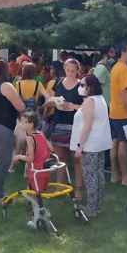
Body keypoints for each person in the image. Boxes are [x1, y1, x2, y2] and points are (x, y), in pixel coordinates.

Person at [0, 59, 26, 203]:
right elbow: (20, 106)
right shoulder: (6, 85)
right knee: (2, 163)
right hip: (2, 127)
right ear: (6, 70)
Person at [70, 75, 113, 217]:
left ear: (90, 87)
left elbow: (87, 126)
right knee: (99, 175)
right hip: (100, 144)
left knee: (90, 177)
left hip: (90, 145)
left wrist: (79, 146)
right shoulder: (100, 99)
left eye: (82, 85)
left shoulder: (90, 101)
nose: (80, 88)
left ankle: (91, 208)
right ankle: (97, 205)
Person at [46, 58, 84, 195]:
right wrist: (55, 102)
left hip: (75, 125)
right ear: (64, 69)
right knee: (60, 158)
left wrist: (73, 106)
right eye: (68, 70)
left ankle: (78, 190)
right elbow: (49, 101)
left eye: (73, 71)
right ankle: (59, 188)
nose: (70, 73)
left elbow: (87, 106)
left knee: (77, 159)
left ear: (77, 71)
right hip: (59, 123)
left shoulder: (81, 85)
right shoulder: (58, 82)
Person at [109, 45, 127, 187]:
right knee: (123, 144)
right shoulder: (123, 69)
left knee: (115, 143)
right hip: (123, 113)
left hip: (114, 112)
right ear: (123, 52)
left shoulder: (115, 67)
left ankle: (115, 175)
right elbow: (125, 93)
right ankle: (125, 177)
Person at [13, 111, 53, 193]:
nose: (20, 124)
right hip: (45, 169)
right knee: (39, 194)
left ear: (31, 124)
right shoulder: (41, 133)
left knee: (35, 194)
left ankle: (35, 205)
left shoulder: (30, 138)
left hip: (36, 171)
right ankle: (35, 204)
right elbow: (51, 149)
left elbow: (30, 158)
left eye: (23, 122)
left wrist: (18, 156)